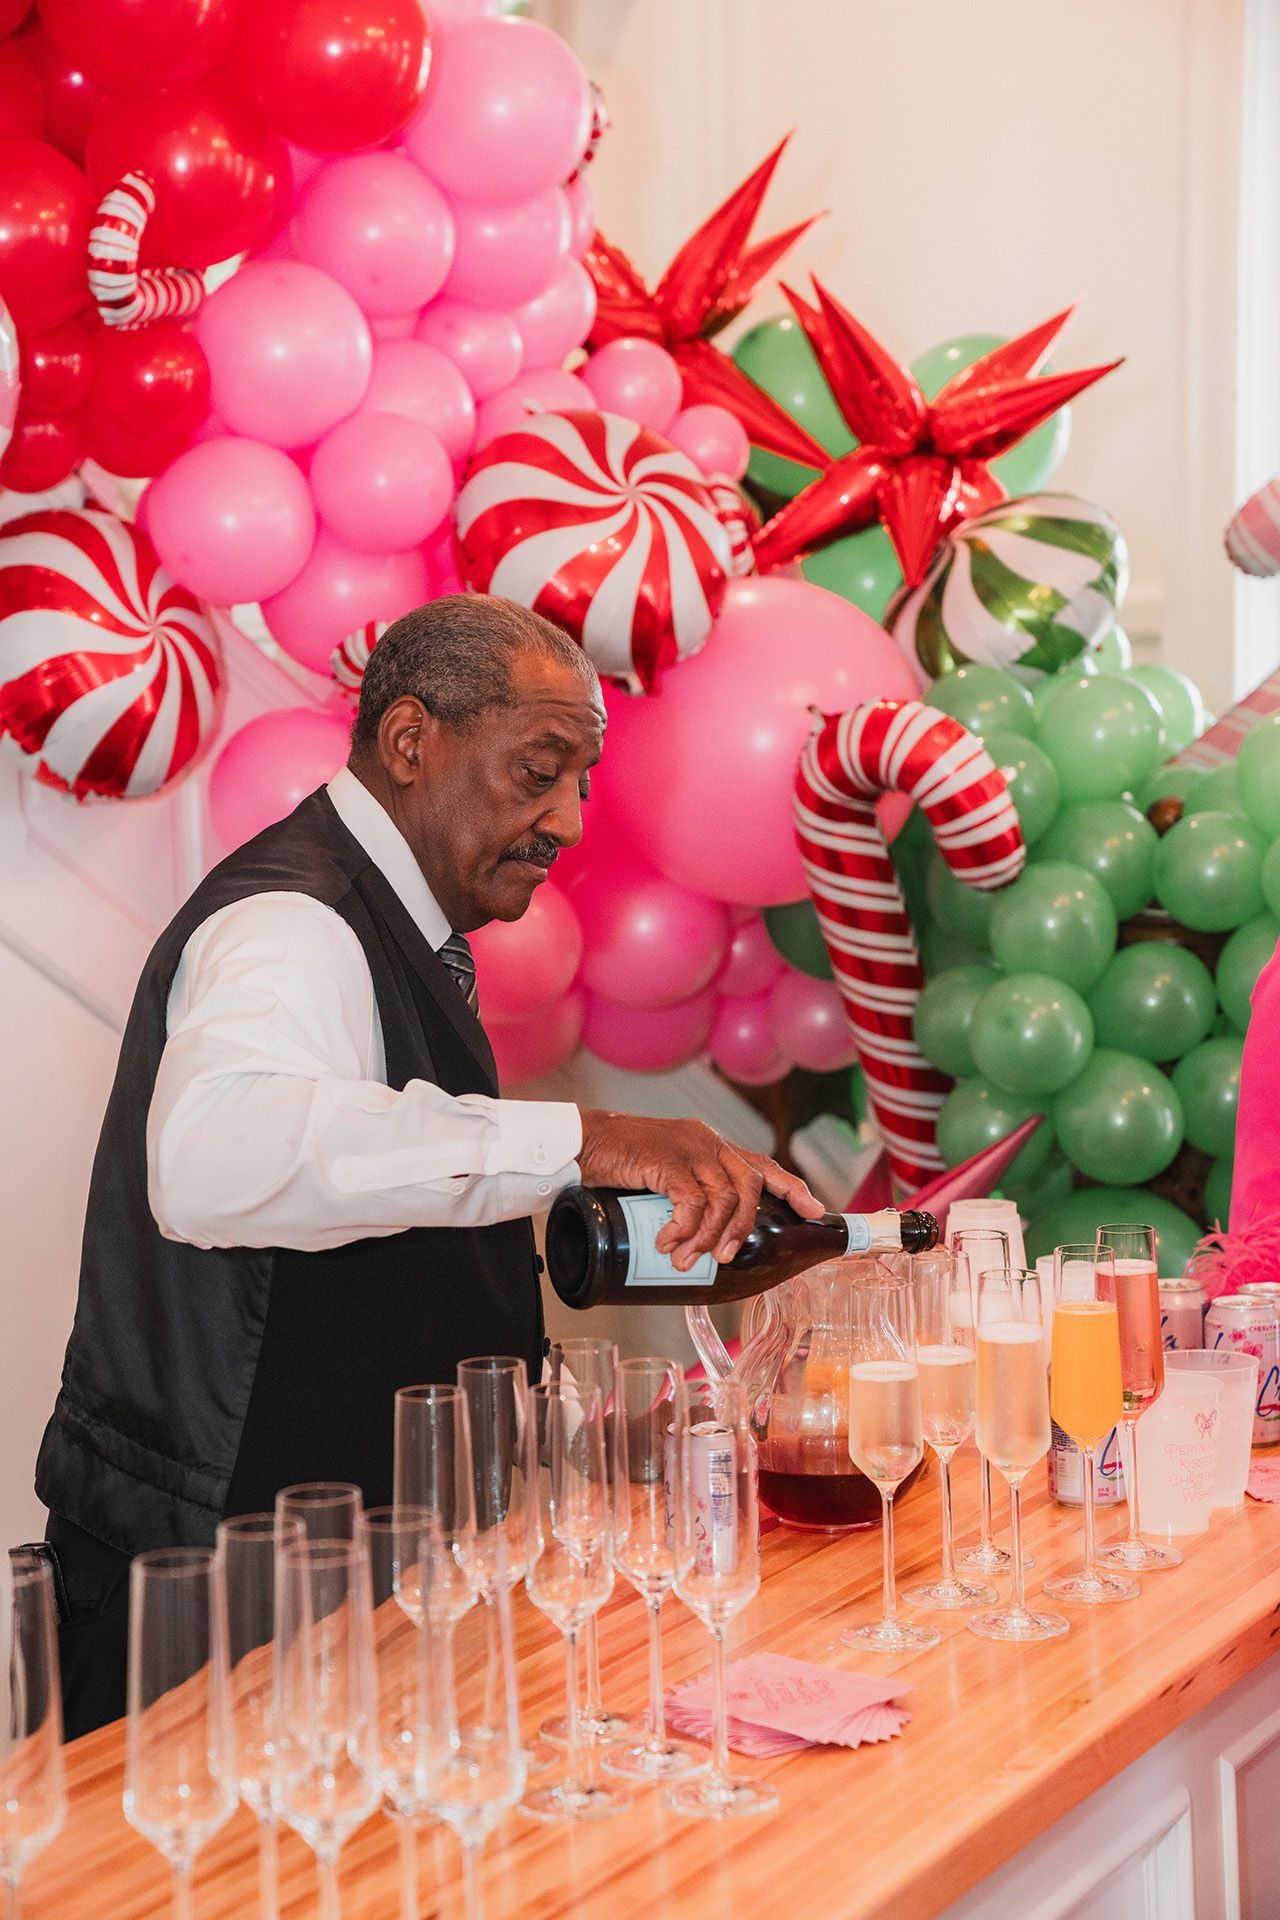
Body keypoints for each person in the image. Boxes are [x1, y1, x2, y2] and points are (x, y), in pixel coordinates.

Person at [35, 594, 821, 1738]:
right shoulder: (289, 921)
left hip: (351, 1569)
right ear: (412, 742)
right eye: (536, 771)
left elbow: (386, 1193)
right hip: (222, 1583)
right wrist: (582, 1137)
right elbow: (213, 1162)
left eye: (579, 786)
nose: (564, 820)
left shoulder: (395, 924)